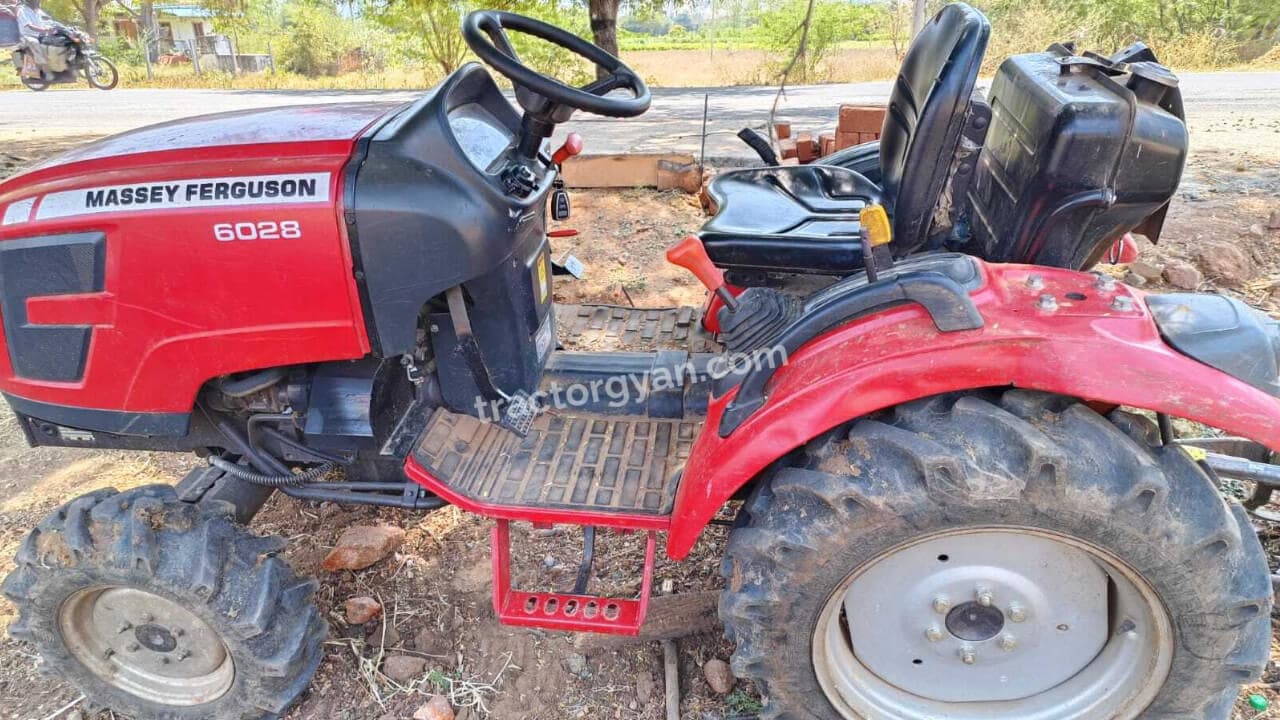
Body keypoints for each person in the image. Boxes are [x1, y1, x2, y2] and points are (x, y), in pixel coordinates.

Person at [16, 0, 55, 78]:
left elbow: (49, 20)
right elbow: (29, 26)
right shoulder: (22, 11)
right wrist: (44, 30)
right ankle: (46, 71)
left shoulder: (38, 11)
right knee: (34, 43)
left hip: (40, 35)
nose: (38, 2)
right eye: (35, 1)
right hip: (26, 36)